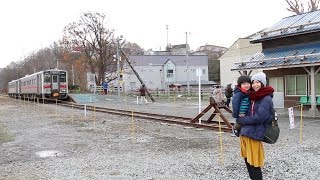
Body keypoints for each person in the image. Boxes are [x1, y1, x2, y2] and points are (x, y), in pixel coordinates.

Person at [236, 72, 274, 180]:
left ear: (263, 83)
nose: (255, 85)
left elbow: (259, 117)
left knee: (254, 163)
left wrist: (242, 120)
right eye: (253, 82)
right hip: (246, 133)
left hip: (255, 134)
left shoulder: (265, 98)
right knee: (248, 162)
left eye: (257, 82)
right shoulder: (254, 97)